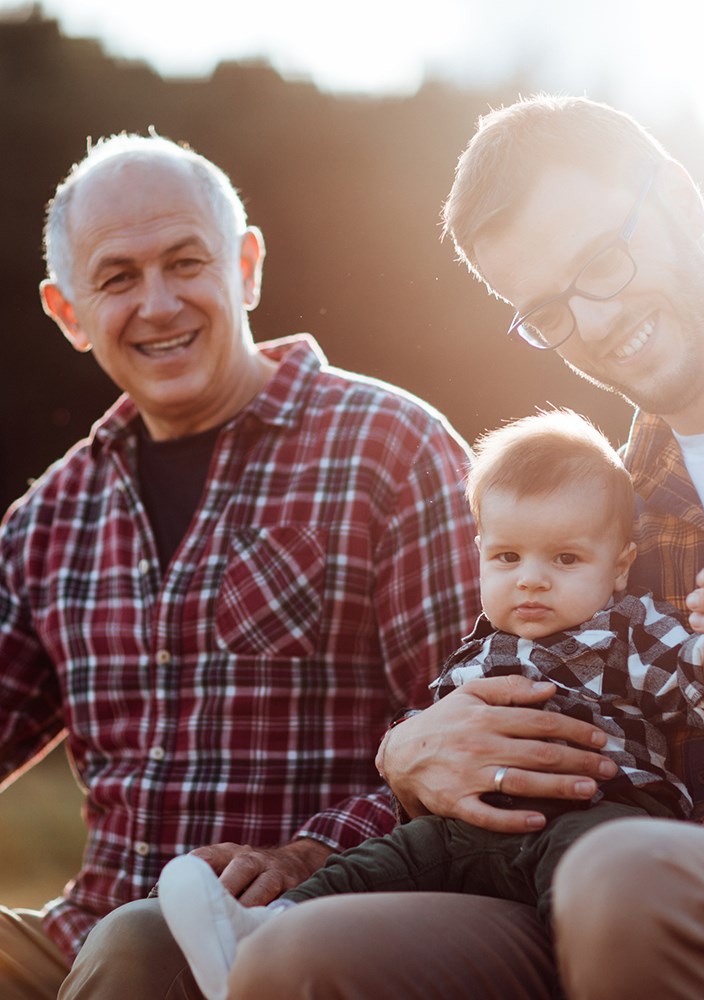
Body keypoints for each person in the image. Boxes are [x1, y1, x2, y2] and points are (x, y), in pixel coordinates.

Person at [220, 94, 704, 1000]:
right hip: (605, 903)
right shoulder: (599, 511)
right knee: (298, 958)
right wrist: (406, 757)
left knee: (630, 873)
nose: (589, 324)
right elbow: (539, 735)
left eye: (601, 262)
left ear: (678, 197)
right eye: (546, 310)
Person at [0, 132, 480, 1000]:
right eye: (116, 278)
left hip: (302, 921)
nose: (157, 303)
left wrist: (313, 851)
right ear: (68, 312)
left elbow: (468, 721)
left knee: (141, 946)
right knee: (120, 939)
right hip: (89, 934)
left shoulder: (389, 448)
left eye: (187, 262)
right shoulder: (50, 517)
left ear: (246, 266)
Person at [154, 408, 704, 1000]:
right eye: (507, 557)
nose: (531, 579)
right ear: (480, 554)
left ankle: (597, 971)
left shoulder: (626, 629)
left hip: (595, 813)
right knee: (377, 862)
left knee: (589, 886)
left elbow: (702, 683)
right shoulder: (476, 651)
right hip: (468, 828)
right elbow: (434, 753)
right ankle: (261, 934)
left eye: (565, 558)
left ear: (620, 566)